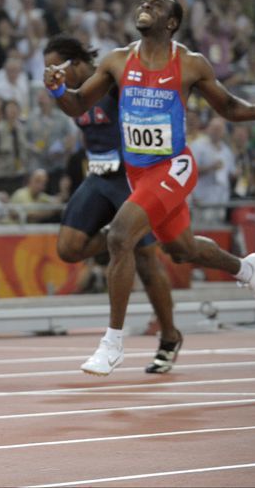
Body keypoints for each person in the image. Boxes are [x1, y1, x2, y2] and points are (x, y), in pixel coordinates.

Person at [44, 0, 255, 376]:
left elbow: (226, 106)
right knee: (181, 249)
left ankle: (112, 344)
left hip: (174, 167)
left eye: (155, 5)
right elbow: (78, 104)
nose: (144, 6)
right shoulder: (118, 60)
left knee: (121, 236)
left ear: (171, 22)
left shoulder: (190, 64)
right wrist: (56, 90)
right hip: (138, 173)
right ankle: (245, 269)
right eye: (142, 3)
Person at [43, 35, 183, 373]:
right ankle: (114, 232)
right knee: (68, 248)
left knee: (148, 263)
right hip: (99, 177)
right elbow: (76, 108)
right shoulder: (73, 92)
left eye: (56, 67)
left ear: (76, 64)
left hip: (132, 178)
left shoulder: (114, 77)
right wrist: (59, 90)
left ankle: (169, 336)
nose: (52, 73)